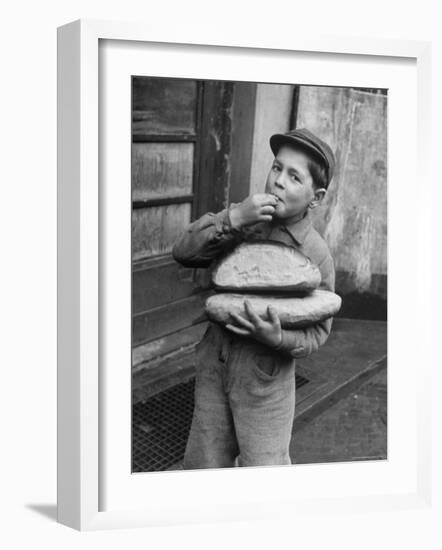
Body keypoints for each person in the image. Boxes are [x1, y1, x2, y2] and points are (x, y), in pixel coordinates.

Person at [172, 128, 336, 469]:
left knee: (265, 468)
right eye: (276, 168)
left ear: (316, 197)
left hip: (266, 378)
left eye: (294, 177)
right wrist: (232, 218)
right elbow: (184, 252)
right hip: (214, 364)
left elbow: (318, 331)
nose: (278, 181)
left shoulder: (317, 255)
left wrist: (280, 338)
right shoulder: (241, 222)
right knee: (205, 461)